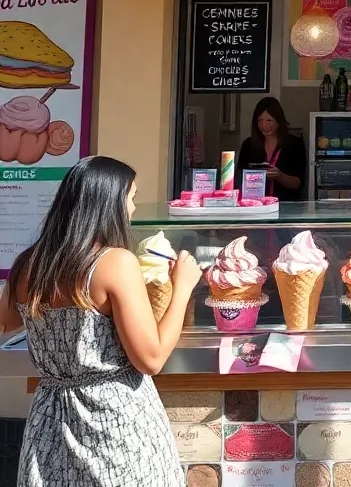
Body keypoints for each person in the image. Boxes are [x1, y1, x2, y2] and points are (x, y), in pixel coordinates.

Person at [0, 155, 202, 486]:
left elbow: (7, 321)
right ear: (108, 202)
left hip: (49, 423)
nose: (133, 209)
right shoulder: (114, 263)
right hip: (114, 423)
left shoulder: (27, 265)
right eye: (131, 197)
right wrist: (182, 288)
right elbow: (151, 358)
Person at [236, 96, 307, 201]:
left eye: (269, 120)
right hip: (255, 206)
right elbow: (240, 179)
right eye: (260, 120)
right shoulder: (248, 144)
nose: (264, 125)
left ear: (279, 121)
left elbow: (298, 183)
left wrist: (280, 176)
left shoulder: (295, 144)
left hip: (286, 208)